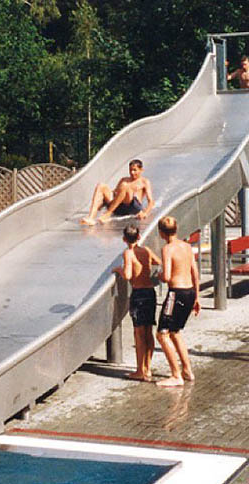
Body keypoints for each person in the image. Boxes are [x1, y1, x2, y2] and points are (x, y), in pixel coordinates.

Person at [155, 216, 200, 387]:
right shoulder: (187, 247)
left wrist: (157, 275)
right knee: (175, 332)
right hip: (189, 292)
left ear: (161, 233)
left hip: (177, 293)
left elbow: (166, 277)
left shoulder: (168, 249)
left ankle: (176, 375)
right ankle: (187, 370)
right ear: (177, 228)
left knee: (162, 334)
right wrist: (197, 297)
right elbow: (194, 272)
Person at [112, 225, 161, 381]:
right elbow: (158, 261)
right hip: (150, 293)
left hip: (138, 294)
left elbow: (127, 275)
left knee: (139, 334)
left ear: (124, 239)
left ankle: (140, 370)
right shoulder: (146, 251)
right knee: (149, 332)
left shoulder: (128, 253)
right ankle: (148, 368)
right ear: (139, 237)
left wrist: (117, 269)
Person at [80, 159, 155, 225]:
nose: (132, 172)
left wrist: (145, 213)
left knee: (125, 186)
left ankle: (107, 214)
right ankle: (91, 217)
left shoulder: (144, 182)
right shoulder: (124, 179)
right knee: (101, 185)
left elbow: (151, 201)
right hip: (119, 207)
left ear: (141, 170)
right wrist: (103, 201)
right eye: (130, 170)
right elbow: (115, 193)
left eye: (135, 170)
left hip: (132, 207)